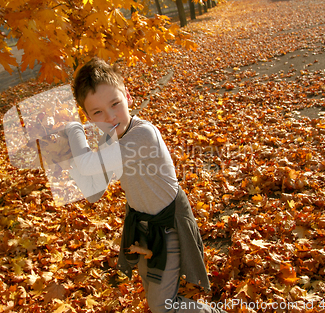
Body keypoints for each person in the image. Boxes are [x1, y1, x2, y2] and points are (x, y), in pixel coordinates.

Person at [63, 57, 225, 313]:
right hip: (141, 226)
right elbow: (95, 191)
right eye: (98, 112)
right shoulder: (110, 141)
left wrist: (74, 131)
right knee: (154, 292)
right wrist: (71, 158)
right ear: (90, 118)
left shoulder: (142, 135)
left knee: (162, 305)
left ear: (127, 96)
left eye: (115, 103)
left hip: (167, 225)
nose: (111, 116)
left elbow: (89, 164)